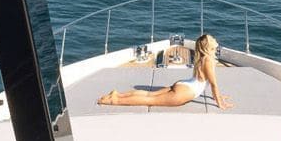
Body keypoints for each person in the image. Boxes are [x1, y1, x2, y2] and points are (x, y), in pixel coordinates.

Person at [99, 33, 234, 109]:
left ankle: (118, 94)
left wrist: (219, 97)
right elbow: (214, 85)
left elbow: (207, 83)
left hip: (184, 85)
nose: (215, 40)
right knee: (148, 100)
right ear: (208, 46)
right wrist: (220, 103)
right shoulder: (208, 60)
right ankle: (115, 100)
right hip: (185, 92)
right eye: (212, 39)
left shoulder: (202, 58)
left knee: (149, 95)